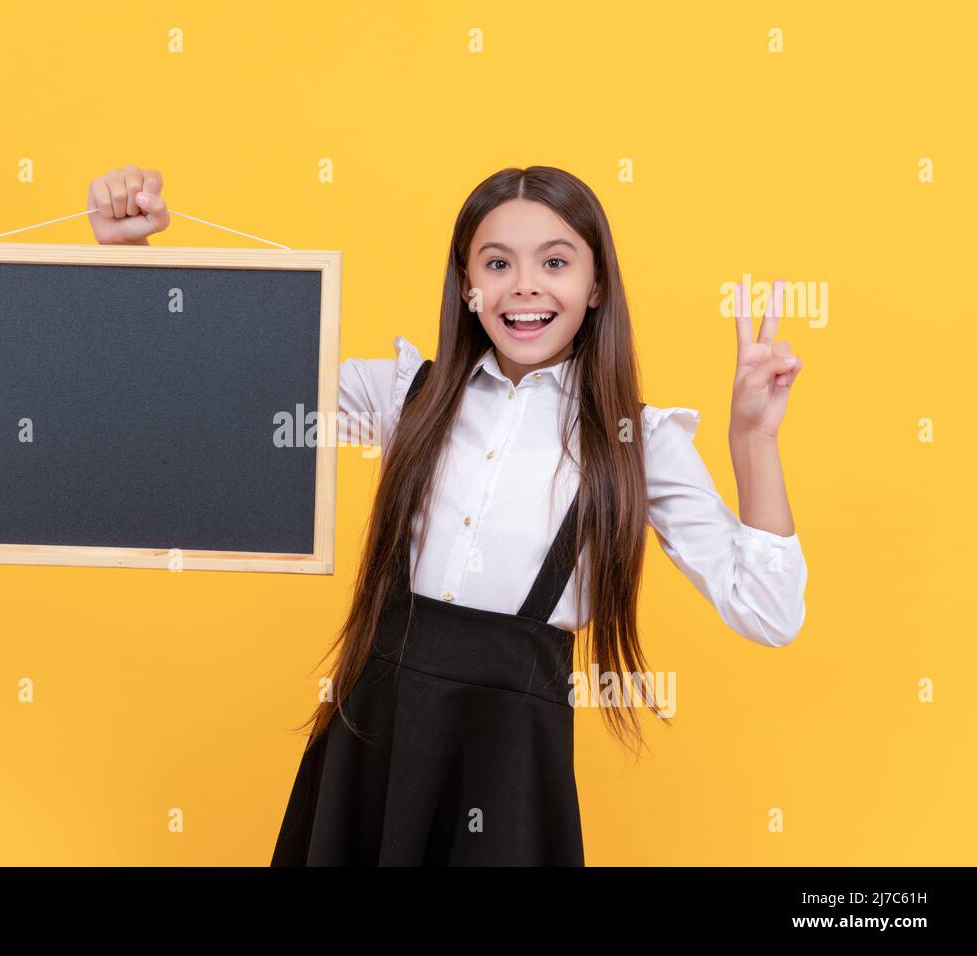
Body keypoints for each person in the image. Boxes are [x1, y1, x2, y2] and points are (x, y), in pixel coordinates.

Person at [87, 163, 809, 866]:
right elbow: (229, 386)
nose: (525, 285)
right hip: (373, 736)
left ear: (595, 288)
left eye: (555, 261)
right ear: (467, 287)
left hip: (511, 763)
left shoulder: (637, 442)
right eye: (497, 264)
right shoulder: (408, 396)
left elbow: (770, 611)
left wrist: (753, 440)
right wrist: (136, 255)